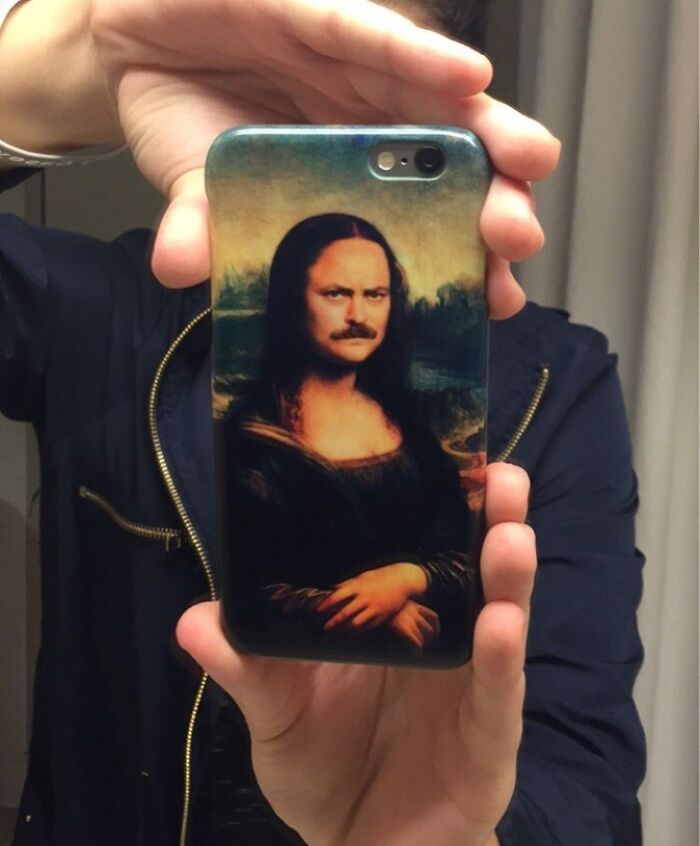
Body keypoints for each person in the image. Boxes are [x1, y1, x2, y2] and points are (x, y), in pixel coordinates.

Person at [0, 1, 646, 845]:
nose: (358, 313)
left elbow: (586, 778)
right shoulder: (116, 312)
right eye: (284, 85)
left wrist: (448, 832)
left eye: (367, 89)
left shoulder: (556, 382)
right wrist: (57, 61)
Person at [219, 213, 478, 662]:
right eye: (336, 294)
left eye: (375, 295)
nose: (358, 316)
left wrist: (407, 579)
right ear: (293, 301)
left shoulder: (409, 429)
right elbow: (250, 593)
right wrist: (370, 614)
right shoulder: (253, 442)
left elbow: (463, 557)